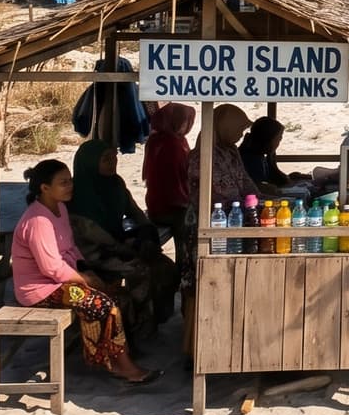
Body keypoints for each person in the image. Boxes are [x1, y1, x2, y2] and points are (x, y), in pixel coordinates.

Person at [11, 159, 156, 384]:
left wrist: (87, 270)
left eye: (70, 181)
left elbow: (71, 248)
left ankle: (114, 357)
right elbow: (51, 267)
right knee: (102, 305)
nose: (70, 186)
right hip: (40, 290)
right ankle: (124, 367)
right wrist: (85, 279)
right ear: (45, 188)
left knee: (116, 293)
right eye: (63, 182)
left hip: (61, 280)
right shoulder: (38, 221)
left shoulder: (59, 208)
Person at [70, 139, 176, 339]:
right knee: (140, 271)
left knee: (165, 267)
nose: (112, 163)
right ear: (91, 162)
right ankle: (131, 328)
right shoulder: (77, 195)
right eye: (106, 159)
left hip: (117, 245)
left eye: (114, 158)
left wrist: (146, 234)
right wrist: (125, 248)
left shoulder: (115, 184)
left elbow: (135, 212)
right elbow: (91, 235)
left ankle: (152, 321)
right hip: (91, 255)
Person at [143, 103, 195, 271]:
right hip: (169, 205)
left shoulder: (159, 139)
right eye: (185, 122)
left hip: (158, 202)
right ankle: (183, 269)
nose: (188, 126)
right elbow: (178, 176)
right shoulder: (171, 143)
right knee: (188, 228)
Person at [191, 105, 259, 211]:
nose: (241, 135)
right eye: (238, 129)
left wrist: (258, 199)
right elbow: (221, 196)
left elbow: (246, 184)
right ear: (226, 127)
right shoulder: (204, 155)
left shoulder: (231, 150)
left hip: (237, 210)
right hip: (216, 215)